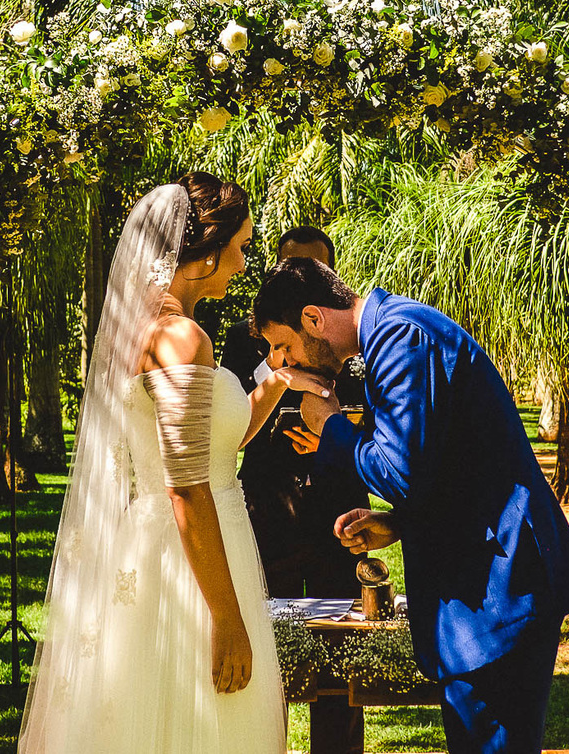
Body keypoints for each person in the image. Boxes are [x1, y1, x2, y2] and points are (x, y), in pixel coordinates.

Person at [20, 174, 330, 753]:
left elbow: (214, 447)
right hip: (191, 561)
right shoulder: (181, 338)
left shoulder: (153, 329)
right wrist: (228, 618)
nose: (243, 264)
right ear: (206, 252)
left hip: (171, 542)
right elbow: (188, 486)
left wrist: (276, 382)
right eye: (239, 248)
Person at [251, 258, 569, 754]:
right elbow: (443, 465)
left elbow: (399, 472)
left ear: (312, 318)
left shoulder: (399, 339)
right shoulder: (394, 332)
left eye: (282, 345)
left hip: (497, 585)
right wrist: (396, 523)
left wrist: (330, 425)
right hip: (485, 578)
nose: (283, 362)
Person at [221, 226, 370, 754]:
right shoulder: (245, 338)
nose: (300, 279)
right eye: (290, 268)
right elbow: (231, 415)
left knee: (344, 645)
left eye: (313, 269)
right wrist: (277, 365)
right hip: (268, 504)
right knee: (267, 646)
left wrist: (334, 433)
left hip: (339, 502)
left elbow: (374, 412)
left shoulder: (352, 337)